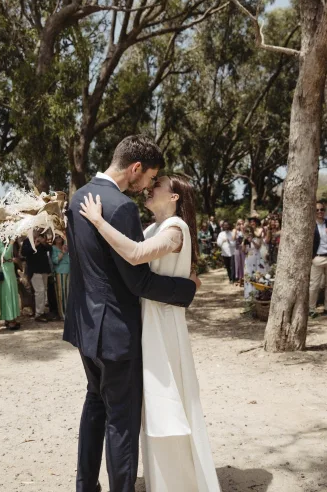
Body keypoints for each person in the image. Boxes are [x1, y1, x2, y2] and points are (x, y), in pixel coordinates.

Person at [63, 135, 198, 492]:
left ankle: (85, 486)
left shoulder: (78, 198)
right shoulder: (121, 207)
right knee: (121, 419)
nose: (148, 185)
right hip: (117, 331)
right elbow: (137, 280)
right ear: (135, 168)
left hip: (84, 326)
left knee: (95, 404)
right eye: (149, 177)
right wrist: (186, 290)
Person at [80, 173, 220, 492]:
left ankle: (182, 482)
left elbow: (135, 255)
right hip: (148, 320)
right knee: (153, 406)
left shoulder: (175, 229)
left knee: (168, 400)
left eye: (158, 185)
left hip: (165, 325)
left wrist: (99, 222)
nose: (149, 187)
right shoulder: (151, 229)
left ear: (173, 197)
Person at [21, 231, 52, 322]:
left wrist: (43, 243)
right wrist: (35, 245)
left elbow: (50, 249)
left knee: (44, 291)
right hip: (34, 271)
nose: (37, 232)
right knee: (40, 291)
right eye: (35, 230)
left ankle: (42, 311)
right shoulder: (27, 241)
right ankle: (38, 314)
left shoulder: (42, 239)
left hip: (44, 270)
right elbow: (23, 253)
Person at [0, 240, 21, 330]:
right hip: (5, 269)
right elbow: (5, 255)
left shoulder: (6, 241)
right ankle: (9, 318)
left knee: (12, 292)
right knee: (7, 293)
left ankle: (12, 318)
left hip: (10, 267)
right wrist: (11, 244)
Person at [51, 235, 70, 320]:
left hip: (69, 270)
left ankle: (69, 312)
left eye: (60, 237)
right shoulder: (53, 248)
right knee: (61, 293)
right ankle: (62, 313)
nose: (58, 238)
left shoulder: (67, 245)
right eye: (56, 237)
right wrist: (62, 252)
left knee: (68, 292)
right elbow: (55, 260)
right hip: (60, 271)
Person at [242, 225, 263, 299]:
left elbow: (258, 247)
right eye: (247, 232)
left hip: (257, 259)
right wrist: (245, 242)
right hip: (248, 260)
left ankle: (257, 294)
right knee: (248, 275)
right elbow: (243, 251)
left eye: (249, 231)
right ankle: (248, 294)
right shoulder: (245, 240)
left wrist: (252, 241)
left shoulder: (257, 238)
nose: (248, 233)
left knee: (256, 275)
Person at [232, 219, 245, 284]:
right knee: (237, 263)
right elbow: (233, 238)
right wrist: (236, 230)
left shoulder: (245, 230)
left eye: (242, 223)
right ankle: (239, 277)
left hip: (243, 248)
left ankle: (243, 277)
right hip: (237, 248)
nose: (241, 225)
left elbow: (245, 237)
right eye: (239, 224)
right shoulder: (234, 230)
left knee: (243, 263)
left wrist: (243, 230)